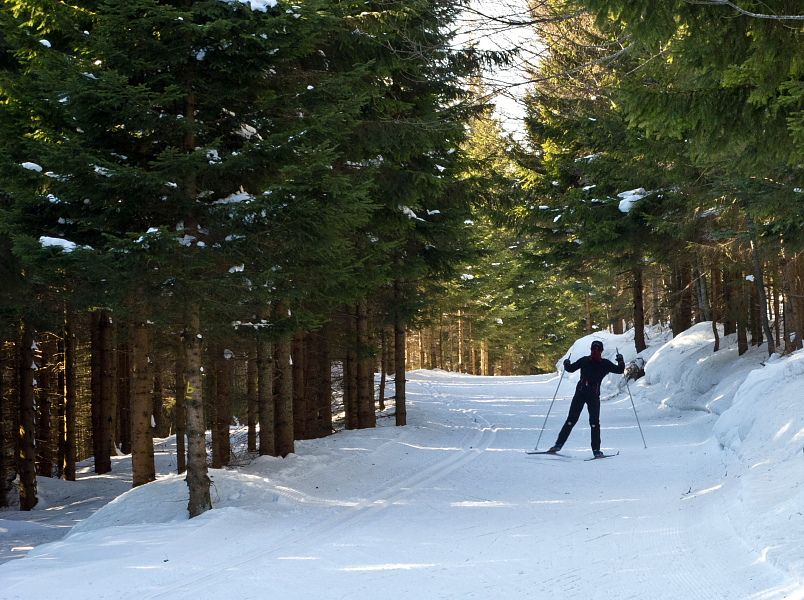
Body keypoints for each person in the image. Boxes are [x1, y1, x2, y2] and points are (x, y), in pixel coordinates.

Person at [548, 340, 624, 458]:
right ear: (602, 351)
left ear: (591, 349)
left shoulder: (585, 360)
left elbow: (570, 368)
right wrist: (620, 359)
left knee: (571, 420)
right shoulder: (605, 364)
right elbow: (620, 370)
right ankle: (596, 451)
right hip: (593, 395)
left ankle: (558, 445)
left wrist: (566, 363)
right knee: (594, 424)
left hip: (580, 393)